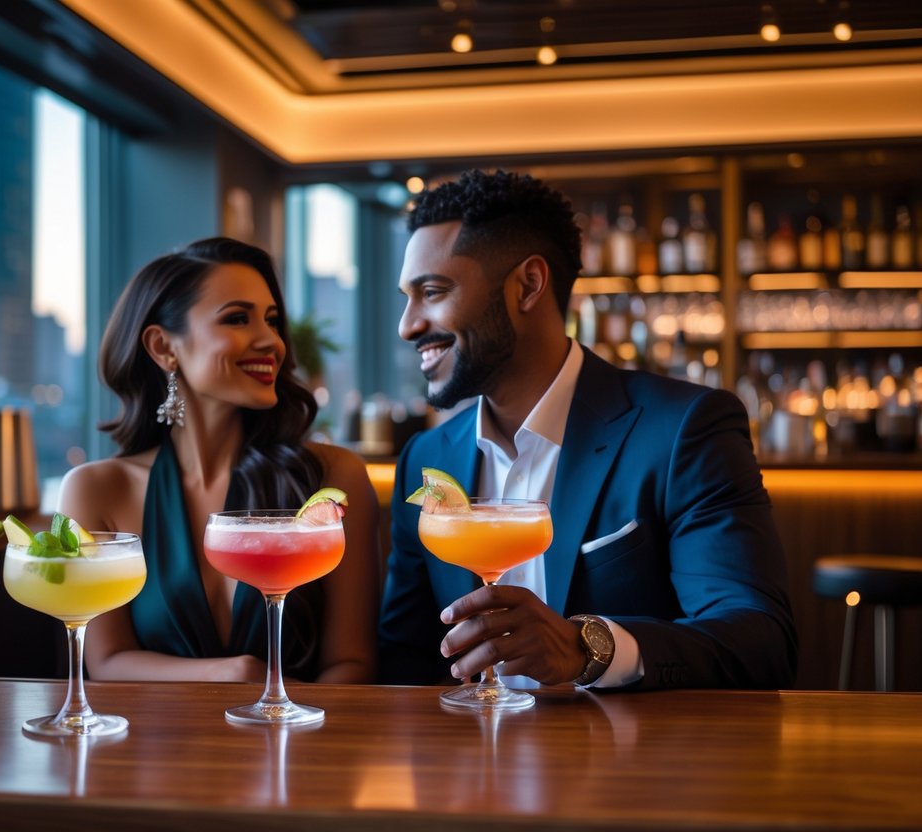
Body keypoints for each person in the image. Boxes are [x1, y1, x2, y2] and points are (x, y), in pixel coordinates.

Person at [378, 170, 797, 690]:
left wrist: (590, 648)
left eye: (432, 292)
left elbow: (760, 641)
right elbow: (403, 659)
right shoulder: (426, 460)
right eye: (407, 297)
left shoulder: (684, 430)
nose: (407, 325)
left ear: (528, 285)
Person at [60, 237, 378, 684]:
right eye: (237, 318)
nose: (271, 341)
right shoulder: (96, 491)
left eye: (271, 320)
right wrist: (232, 673)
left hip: (308, 729)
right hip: (154, 733)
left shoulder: (331, 479)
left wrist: (283, 723)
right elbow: (107, 661)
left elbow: (353, 666)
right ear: (163, 347)